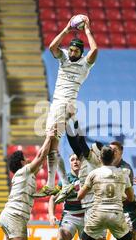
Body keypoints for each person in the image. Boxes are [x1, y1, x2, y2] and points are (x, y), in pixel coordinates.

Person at [34, 14, 98, 198]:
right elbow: (52, 47)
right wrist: (67, 29)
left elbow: (94, 50)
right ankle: (60, 184)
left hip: (66, 105)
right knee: (53, 146)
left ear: (80, 53)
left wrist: (86, 30)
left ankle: (54, 183)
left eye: (76, 51)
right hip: (56, 105)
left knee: (51, 140)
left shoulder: (85, 65)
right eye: (70, 49)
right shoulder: (63, 59)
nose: (71, 52)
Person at [73, 146, 136, 240]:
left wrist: (78, 188)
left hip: (98, 214)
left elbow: (80, 196)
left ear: (100, 158)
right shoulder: (123, 174)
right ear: (113, 157)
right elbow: (131, 198)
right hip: (116, 215)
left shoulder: (93, 173)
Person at [0, 129, 54, 240]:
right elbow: (41, 156)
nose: (29, 159)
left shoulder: (23, 175)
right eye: (26, 158)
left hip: (8, 214)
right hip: (15, 215)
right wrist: (49, 137)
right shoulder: (24, 172)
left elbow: (41, 157)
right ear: (22, 162)